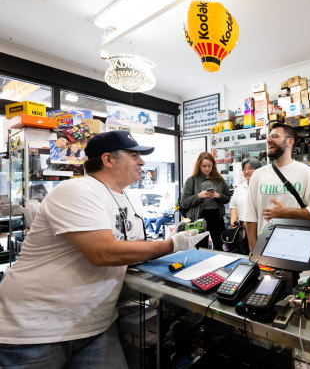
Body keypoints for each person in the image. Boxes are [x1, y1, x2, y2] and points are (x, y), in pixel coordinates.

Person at [0, 130, 206, 368]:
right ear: (108, 160)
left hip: (96, 324)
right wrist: (172, 245)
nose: (142, 162)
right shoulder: (78, 190)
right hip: (36, 330)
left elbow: (131, 247)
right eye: (133, 155)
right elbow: (103, 253)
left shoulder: (126, 198)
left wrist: (173, 241)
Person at [242, 123, 310, 252]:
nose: (268, 140)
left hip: (297, 248)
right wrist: (253, 248)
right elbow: (250, 216)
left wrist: (287, 212)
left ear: (289, 141)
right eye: (269, 137)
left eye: (275, 136)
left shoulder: (307, 173)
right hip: (264, 248)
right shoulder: (258, 175)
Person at [180, 152, 231, 250]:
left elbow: (227, 198)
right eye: (204, 166)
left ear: (213, 165)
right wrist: (199, 196)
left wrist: (217, 195)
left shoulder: (219, 180)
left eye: (209, 166)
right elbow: (184, 202)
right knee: (201, 247)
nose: (207, 169)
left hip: (217, 217)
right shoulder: (191, 180)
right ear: (199, 165)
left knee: (220, 246)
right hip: (199, 217)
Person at [229, 158, 262, 229]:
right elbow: (234, 206)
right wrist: (233, 221)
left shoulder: (263, 188)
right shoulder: (239, 189)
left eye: (250, 168)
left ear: (259, 170)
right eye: (244, 169)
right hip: (242, 227)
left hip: (259, 226)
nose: (247, 172)